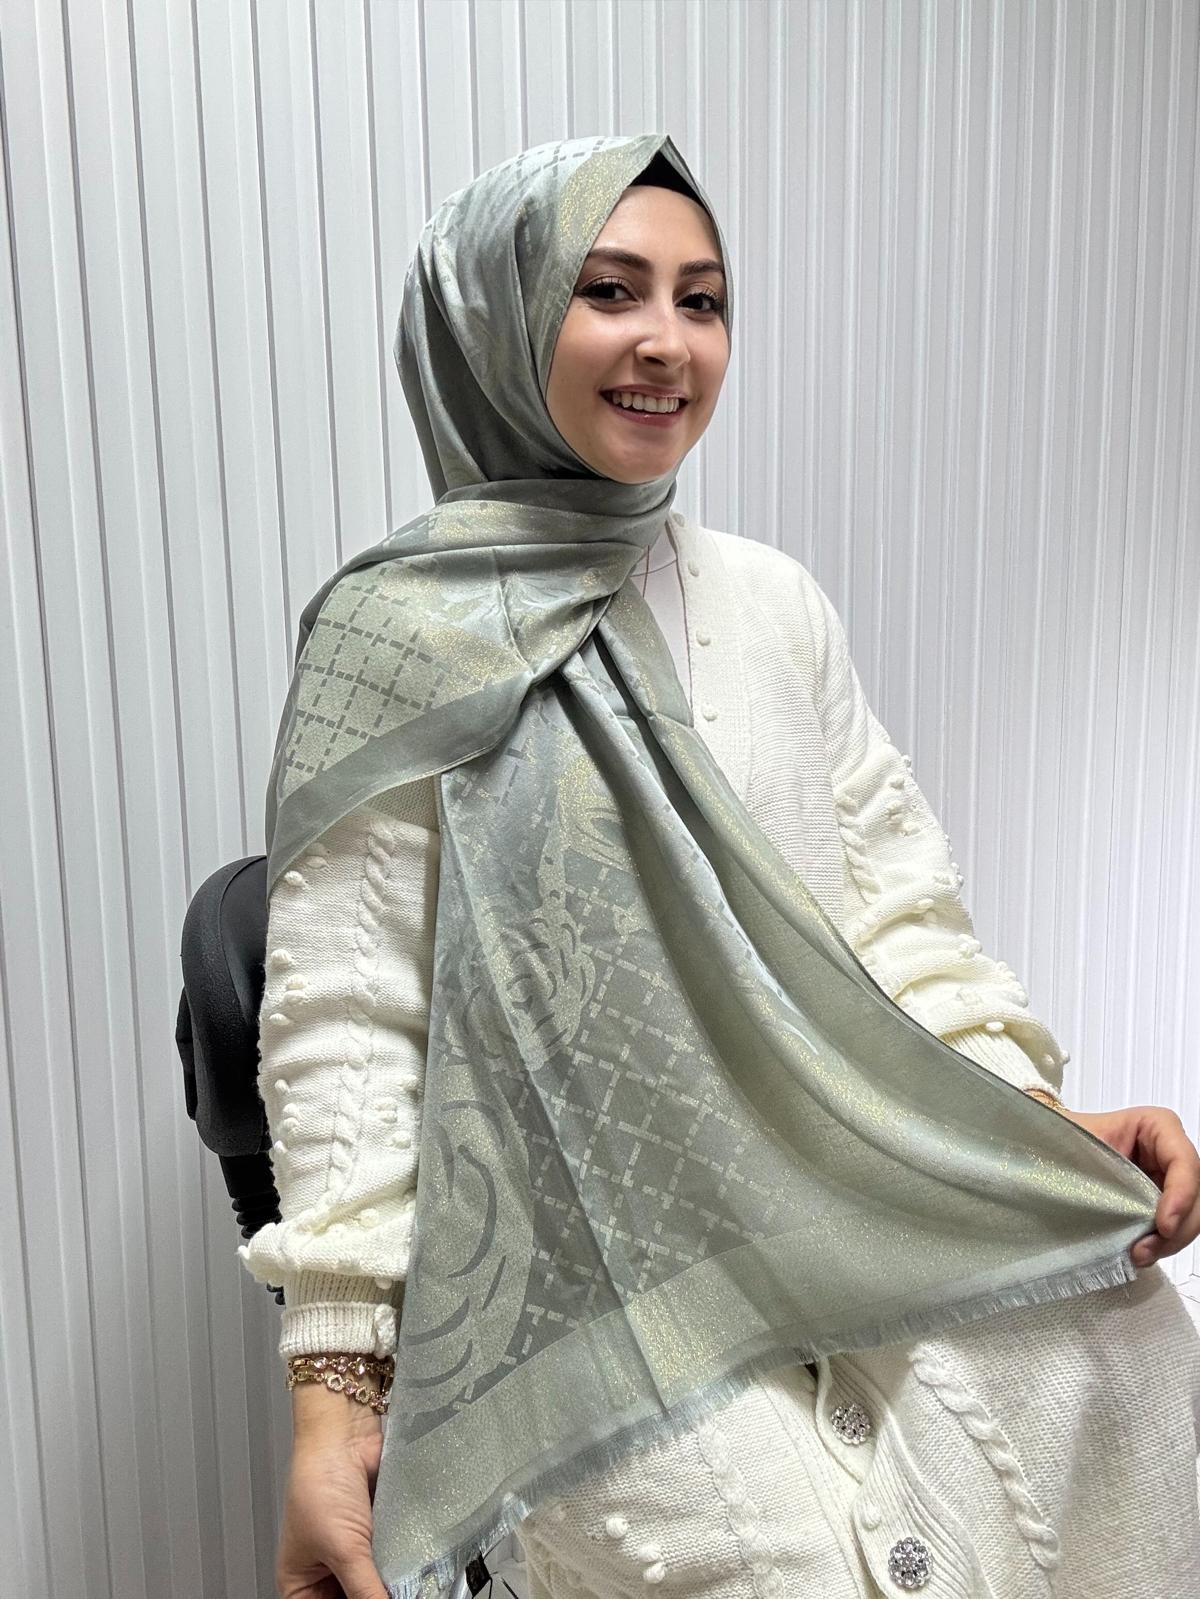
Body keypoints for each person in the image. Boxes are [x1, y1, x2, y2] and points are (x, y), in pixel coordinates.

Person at [240, 135, 1200, 1599]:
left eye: (703, 301)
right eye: (610, 292)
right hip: (592, 1273)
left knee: (1123, 1355)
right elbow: (350, 1026)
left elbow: (895, 919)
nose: (667, 344)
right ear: (496, 324)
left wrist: (1029, 1125)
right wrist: (333, 1405)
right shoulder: (394, 647)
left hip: (845, 1183)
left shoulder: (771, 606)